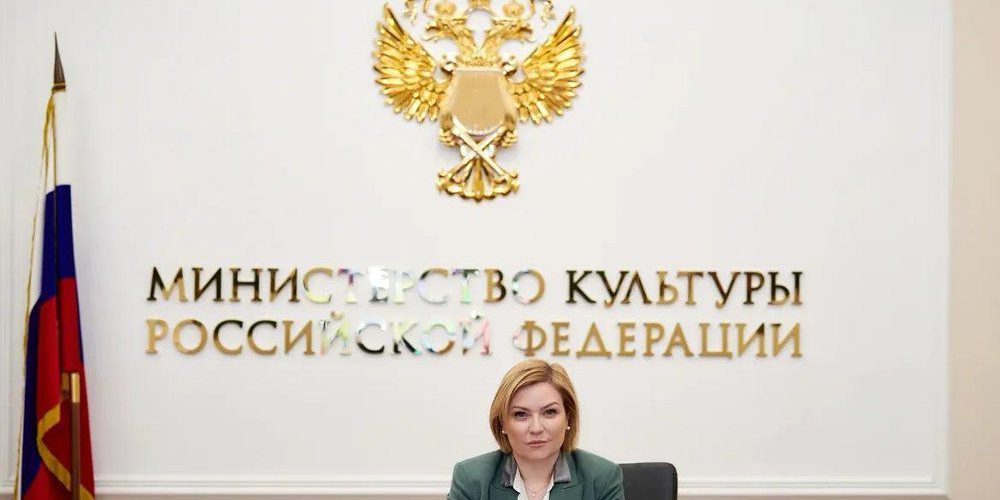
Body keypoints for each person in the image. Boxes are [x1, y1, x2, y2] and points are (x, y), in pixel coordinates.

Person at [448, 360, 625, 500]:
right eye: (521, 414)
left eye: (549, 412)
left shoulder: (602, 477)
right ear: (503, 423)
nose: (536, 428)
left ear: (568, 418)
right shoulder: (471, 478)